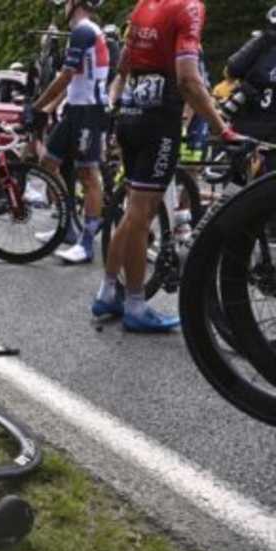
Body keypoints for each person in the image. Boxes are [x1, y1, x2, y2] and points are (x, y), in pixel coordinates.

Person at [96, 0, 241, 333]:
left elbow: (123, 69)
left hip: (131, 116)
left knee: (134, 210)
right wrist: (223, 129)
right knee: (140, 215)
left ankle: (107, 292)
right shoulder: (189, 8)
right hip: (159, 121)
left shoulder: (143, 6)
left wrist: (115, 108)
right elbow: (188, 80)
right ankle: (135, 305)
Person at [28, 0, 111, 265]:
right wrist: (49, 106)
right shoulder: (81, 33)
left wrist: (36, 106)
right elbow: (73, 79)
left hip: (90, 111)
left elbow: (64, 76)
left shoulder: (84, 31)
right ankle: (67, 227)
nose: (62, 6)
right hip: (75, 110)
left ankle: (86, 243)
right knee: (48, 163)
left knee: (88, 174)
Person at [223, 9, 276, 172]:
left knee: (239, 178)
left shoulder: (262, 41)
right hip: (261, 124)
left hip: (248, 121)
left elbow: (233, 68)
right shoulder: (263, 42)